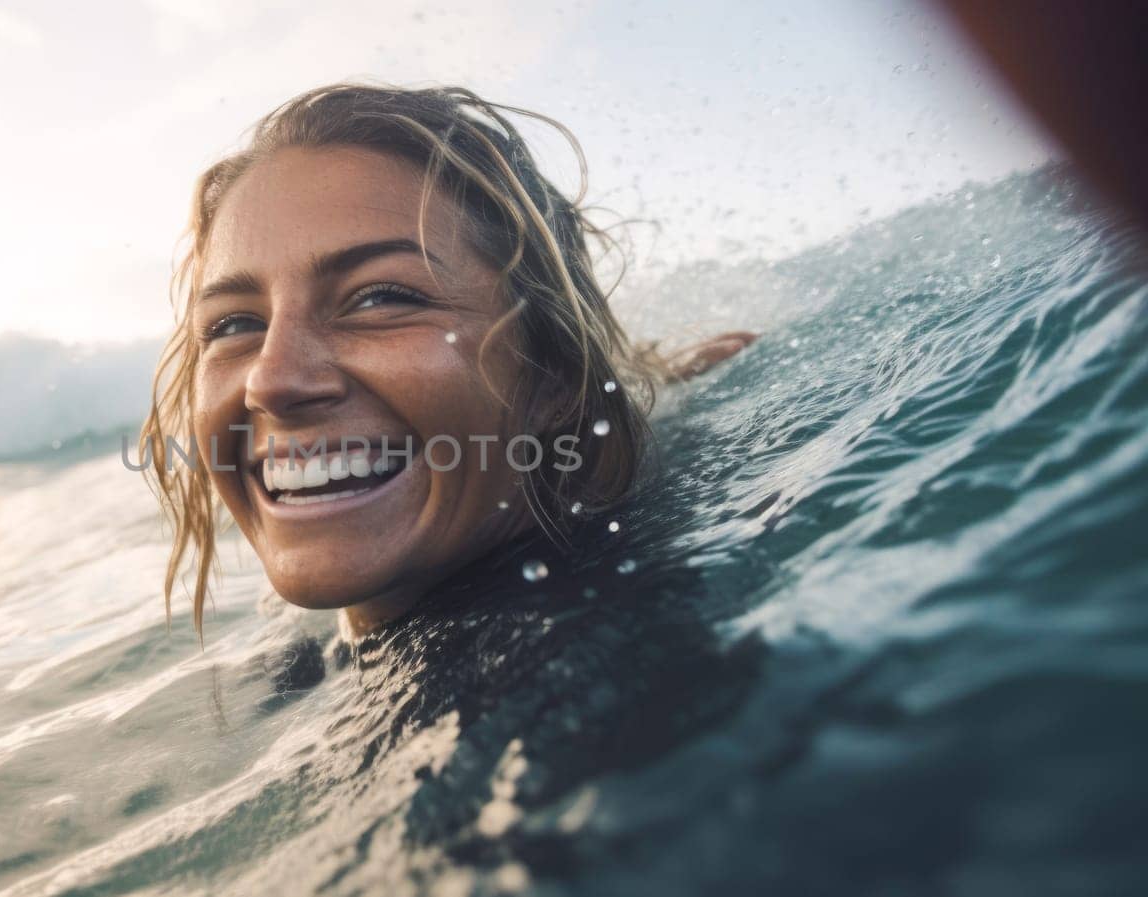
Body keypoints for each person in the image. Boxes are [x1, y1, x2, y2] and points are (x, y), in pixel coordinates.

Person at [140, 83, 753, 639]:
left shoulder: (594, 660)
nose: (271, 381)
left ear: (553, 371)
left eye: (382, 298)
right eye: (234, 324)